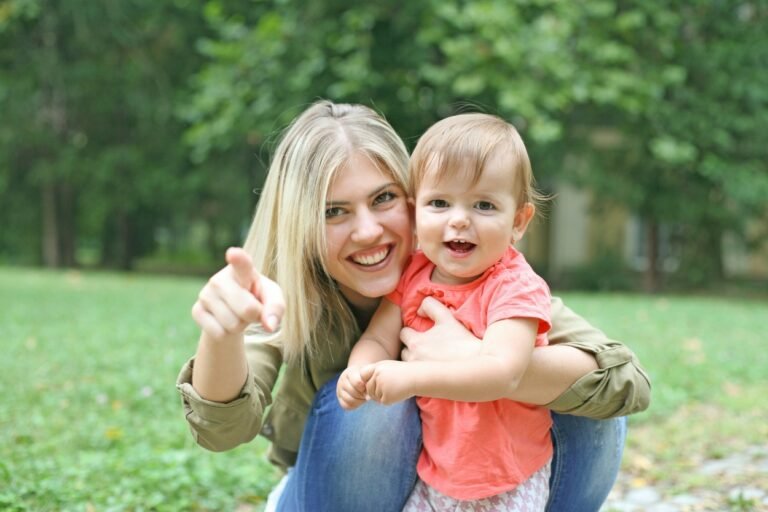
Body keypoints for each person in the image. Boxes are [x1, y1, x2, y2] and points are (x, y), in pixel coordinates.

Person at [176, 100, 651, 512]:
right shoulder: (284, 292)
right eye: (333, 211)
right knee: (376, 401)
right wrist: (223, 333)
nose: (367, 231)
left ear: (410, 198)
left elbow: (626, 385)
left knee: (583, 391)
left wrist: (473, 360)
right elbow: (222, 432)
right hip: (339, 495)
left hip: (478, 486)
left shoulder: (483, 277)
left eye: (383, 199)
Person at [338, 113, 555, 510]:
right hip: (437, 473)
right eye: (439, 202)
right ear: (414, 212)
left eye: (484, 205)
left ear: (519, 221)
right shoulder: (415, 273)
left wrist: (411, 376)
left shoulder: (513, 286)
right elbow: (379, 337)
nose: (459, 219)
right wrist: (360, 370)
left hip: (507, 477)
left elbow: (503, 373)